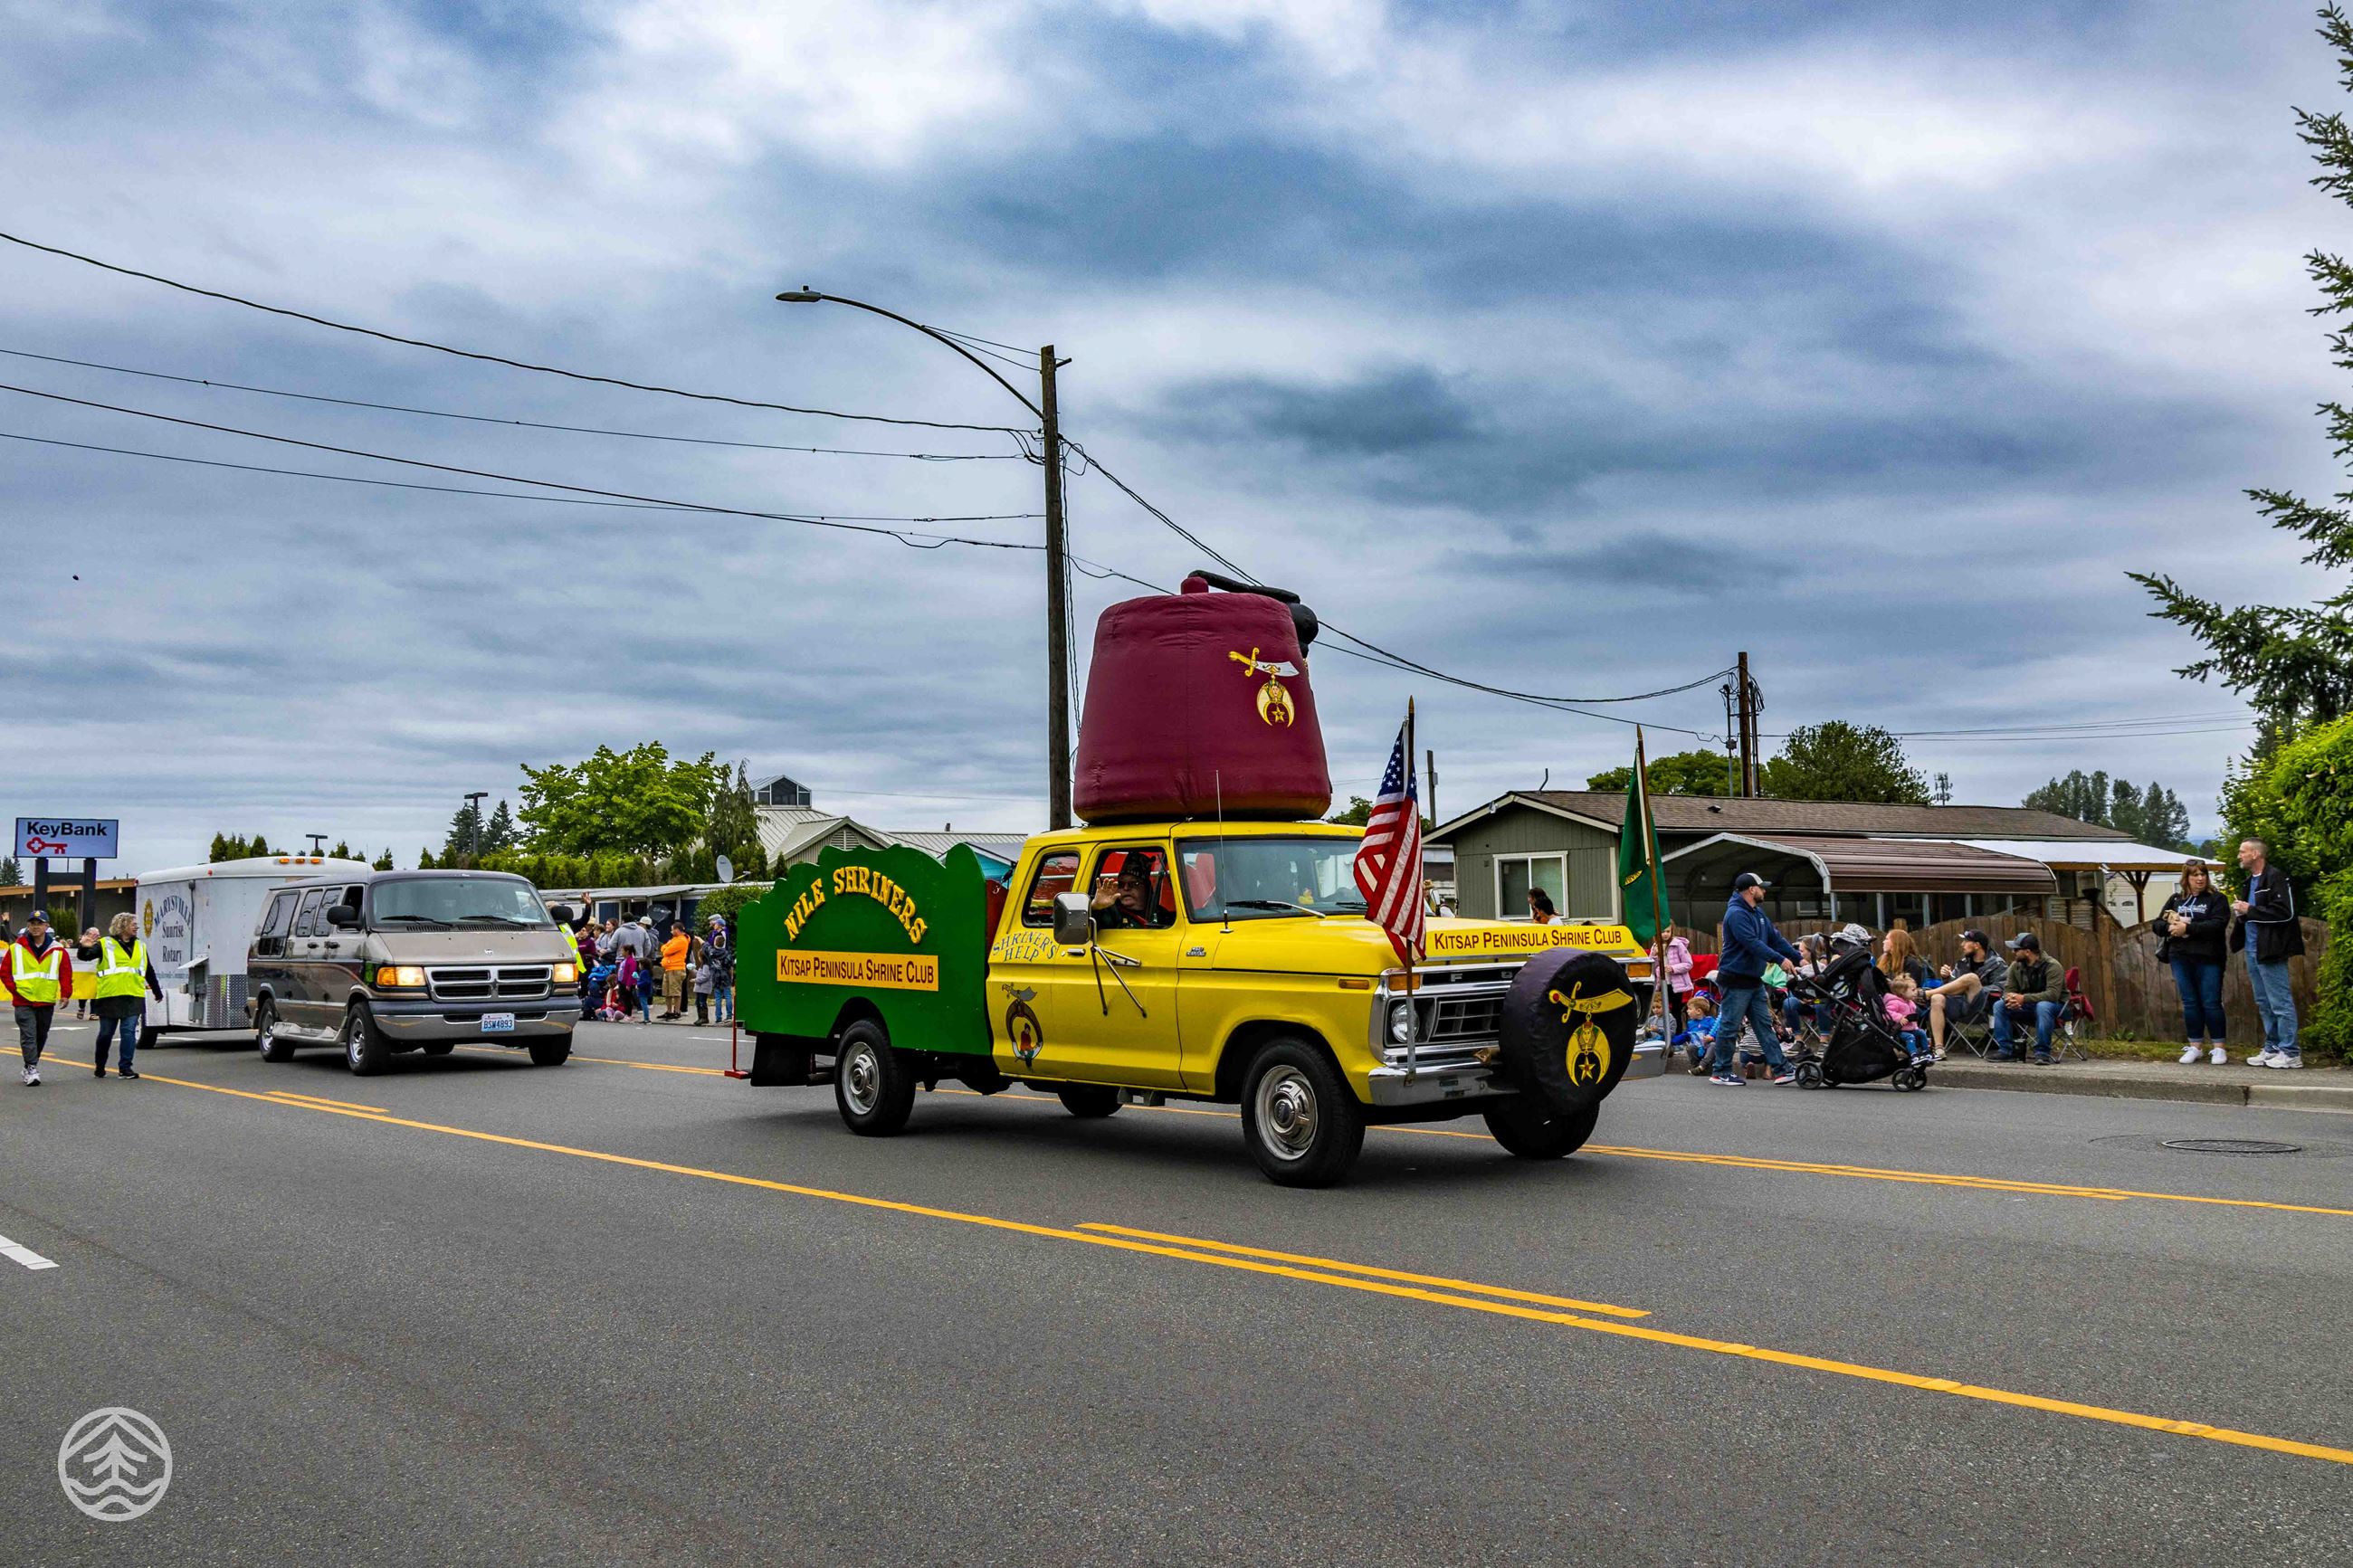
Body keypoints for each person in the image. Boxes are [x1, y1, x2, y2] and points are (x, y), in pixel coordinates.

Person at [1707, 871, 1801, 1086]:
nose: (1764, 891)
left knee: (1764, 1025)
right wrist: (1779, 960)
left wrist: (1799, 958)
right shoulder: (1736, 914)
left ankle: (1782, 1069)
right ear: (1751, 889)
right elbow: (1751, 943)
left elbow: (1776, 939)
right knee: (1730, 1026)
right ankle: (1721, 1071)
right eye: (1761, 887)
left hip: (1753, 980)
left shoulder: (1757, 913)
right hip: (1735, 979)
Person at [2231, 838, 2305, 1069]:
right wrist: (2242, 913)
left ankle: (2291, 1052)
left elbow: (2285, 913)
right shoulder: (2248, 882)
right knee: (2263, 1002)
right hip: (2252, 948)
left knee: (2280, 1002)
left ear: (2255, 854)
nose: (2239, 856)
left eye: (2242, 851)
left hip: (2271, 949)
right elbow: (2253, 913)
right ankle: (2272, 1048)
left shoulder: (2276, 878)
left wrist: (2250, 909)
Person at [2154, 860, 2230, 1065]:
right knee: (2190, 1002)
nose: (2200, 878)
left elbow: (2218, 924)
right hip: (2180, 956)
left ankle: (2219, 1048)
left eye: (2203, 874)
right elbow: (2157, 924)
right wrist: (2170, 927)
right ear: (2186, 878)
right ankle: (2195, 1046)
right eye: (2195, 875)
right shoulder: (2176, 899)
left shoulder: (2217, 899)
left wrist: (2188, 928)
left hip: (2209, 958)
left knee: (2211, 1002)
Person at [1, 909, 71, 1086]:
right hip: (23, 1000)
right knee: (29, 1035)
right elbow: (5, 972)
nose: (35, 927)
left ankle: (29, 1065)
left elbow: (65, 972)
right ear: (28, 926)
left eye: (40, 923)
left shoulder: (58, 949)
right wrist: (15, 990)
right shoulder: (16, 948)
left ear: (47, 926)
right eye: (32, 923)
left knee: (41, 1035)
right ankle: (32, 1068)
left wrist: (65, 993)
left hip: (46, 999)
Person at [90, 911, 163, 1079]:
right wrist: (84, 946)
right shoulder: (105, 944)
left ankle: (125, 1067)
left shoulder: (141, 946)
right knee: (106, 1034)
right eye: (133, 924)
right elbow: (85, 956)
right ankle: (100, 1065)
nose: (137, 927)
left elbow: (148, 970)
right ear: (122, 926)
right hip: (110, 996)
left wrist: (156, 991)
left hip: (133, 995)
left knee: (128, 1032)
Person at [1921, 929, 2007, 1060]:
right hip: (1960, 1005)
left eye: (1966, 942)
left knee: (1971, 978)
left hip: (1982, 1006)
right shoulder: (1962, 963)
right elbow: (1953, 987)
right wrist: (1946, 978)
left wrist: (1974, 987)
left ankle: (1927, 993)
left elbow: (2001, 988)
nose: (1962, 945)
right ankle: (1938, 1048)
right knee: (1937, 998)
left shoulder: (1997, 963)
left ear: (1976, 945)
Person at [1989, 932, 2066, 1064]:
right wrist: (2010, 999)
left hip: (2057, 1008)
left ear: (2027, 952)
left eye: (2016, 949)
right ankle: (2006, 1051)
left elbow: (2053, 995)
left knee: (2043, 1006)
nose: (2013, 952)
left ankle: (2042, 1053)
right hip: (2027, 1007)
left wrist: (2023, 998)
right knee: (1999, 1005)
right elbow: (2008, 989)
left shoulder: (2052, 966)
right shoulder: (2016, 966)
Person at [1091, 855, 1171, 930]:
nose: (1126, 888)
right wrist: (1096, 908)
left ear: (1147, 888)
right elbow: (1090, 928)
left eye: (1134, 883)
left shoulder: (1160, 914)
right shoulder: (1111, 911)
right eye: (1121, 884)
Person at [1653, 927, 1694, 1036]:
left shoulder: (1678, 945)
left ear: (1672, 932)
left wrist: (1673, 968)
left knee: (1676, 1010)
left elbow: (1688, 964)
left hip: (1675, 984)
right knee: (1661, 1010)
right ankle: (1662, 1034)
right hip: (1661, 984)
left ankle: (1677, 1035)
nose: (1665, 934)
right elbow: (1651, 967)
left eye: (1668, 931)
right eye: (1663, 932)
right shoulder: (1655, 946)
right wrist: (1654, 955)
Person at [659, 920, 692, 1020]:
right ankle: (669, 1011)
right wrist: (666, 947)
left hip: (676, 968)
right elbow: (663, 948)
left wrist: (666, 947)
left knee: (675, 991)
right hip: (668, 968)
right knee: (667, 991)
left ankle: (677, 1011)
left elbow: (666, 951)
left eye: (672, 930)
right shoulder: (675, 939)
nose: (671, 932)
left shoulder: (681, 940)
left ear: (677, 930)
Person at [706, 916, 736, 1025]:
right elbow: (730, 966)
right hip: (725, 974)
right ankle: (729, 1015)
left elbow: (706, 947)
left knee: (718, 997)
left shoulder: (712, 953)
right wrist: (731, 976)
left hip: (716, 975)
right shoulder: (727, 954)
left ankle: (718, 1017)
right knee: (728, 995)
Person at [71, 925, 100, 1020]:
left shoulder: (99, 945)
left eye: (98, 935)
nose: (97, 937)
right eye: (95, 935)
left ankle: (93, 1012)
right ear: (88, 934)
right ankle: (81, 1007)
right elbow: (73, 952)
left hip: (95, 973)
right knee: (83, 991)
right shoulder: (80, 943)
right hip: (83, 972)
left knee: (94, 992)